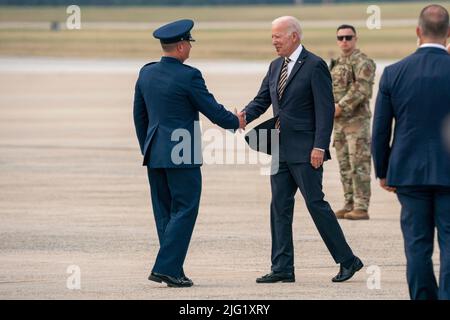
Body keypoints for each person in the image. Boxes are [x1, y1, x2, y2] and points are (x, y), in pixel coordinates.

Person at [242, 16, 362, 284]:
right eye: (272, 36)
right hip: (279, 149)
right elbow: (262, 100)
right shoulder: (275, 67)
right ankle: (282, 267)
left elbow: (325, 109)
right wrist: (242, 116)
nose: (273, 41)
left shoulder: (315, 65)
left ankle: (348, 260)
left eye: (278, 36)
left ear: (294, 36)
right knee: (279, 208)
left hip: (307, 151)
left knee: (316, 204)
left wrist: (320, 145)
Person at [133, 19, 246, 288]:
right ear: (182, 47)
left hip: (155, 152)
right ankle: (165, 268)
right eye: (189, 45)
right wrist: (236, 121)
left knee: (165, 212)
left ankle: (173, 270)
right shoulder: (189, 75)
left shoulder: (146, 73)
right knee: (185, 209)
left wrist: (148, 146)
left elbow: (140, 116)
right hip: (181, 153)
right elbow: (211, 109)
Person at [372, 5, 450, 299]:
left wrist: (382, 170)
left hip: (408, 172)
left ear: (418, 32)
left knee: (417, 245)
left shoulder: (394, 72)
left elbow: (380, 129)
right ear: (449, 33)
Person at [330, 24, 376, 220]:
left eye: (348, 37)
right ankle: (349, 203)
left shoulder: (363, 62)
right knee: (344, 164)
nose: (344, 41)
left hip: (356, 122)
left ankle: (361, 206)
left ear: (355, 39)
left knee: (359, 164)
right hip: (339, 123)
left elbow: (361, 89)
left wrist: (340, 106)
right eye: (340, 38)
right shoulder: (336, 63)